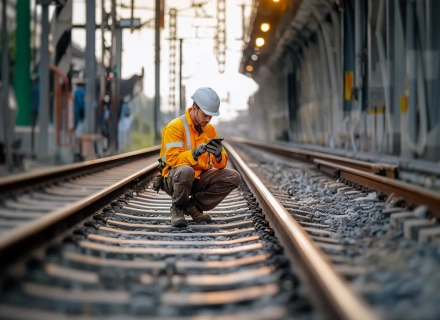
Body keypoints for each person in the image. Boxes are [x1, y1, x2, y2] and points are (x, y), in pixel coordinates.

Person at [158, 87, 241, 227]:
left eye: (211, 116)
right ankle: (177, 209)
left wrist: (218, 155)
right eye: (205, 115)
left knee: (234, 177)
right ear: (194, 109)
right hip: (174, 179)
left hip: (198, 178)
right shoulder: (175, 127)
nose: (208, 119)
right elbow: (172, 160)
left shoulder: (209, 129)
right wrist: (194, 153)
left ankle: (193, 206)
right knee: (186, 170)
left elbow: (221, 165)